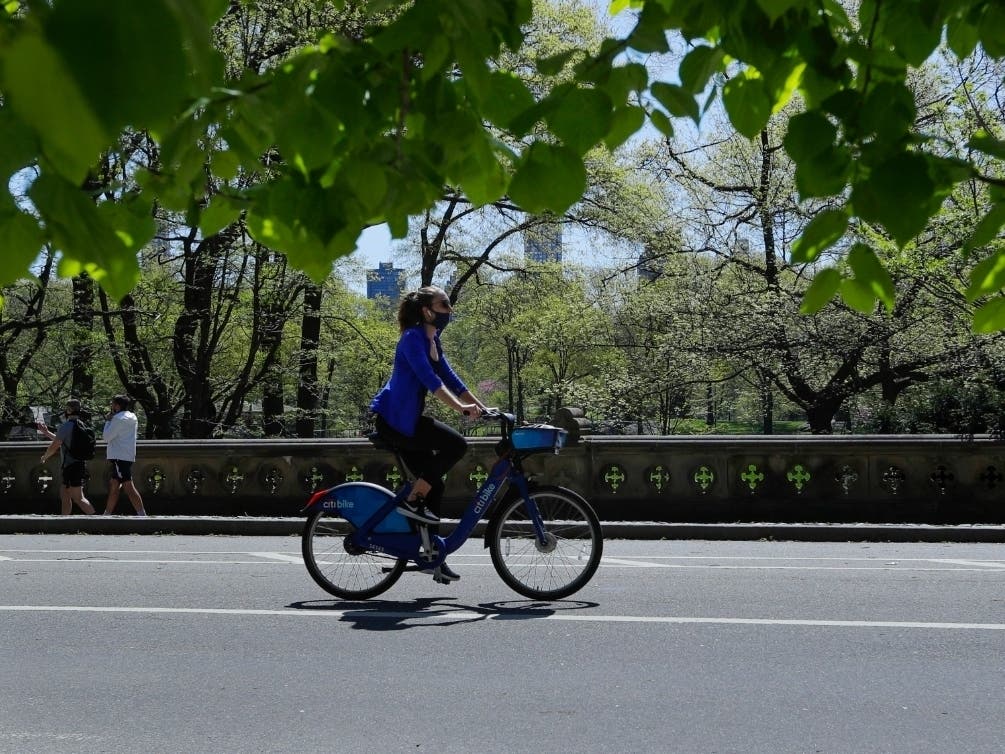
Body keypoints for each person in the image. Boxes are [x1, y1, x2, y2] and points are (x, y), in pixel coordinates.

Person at [370, 286, 490, 584]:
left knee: (435, 485)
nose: (450, 310)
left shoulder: (431, 339)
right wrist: (462, 408)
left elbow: (450, 377)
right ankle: (412, 499)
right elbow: (432, 381)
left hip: (408, 422)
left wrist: (480, 406)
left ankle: (432, 557)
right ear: (427, 310)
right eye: (444, 304)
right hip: (395, 423)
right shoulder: (412, 339)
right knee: (455, 445)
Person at [39, 399, 96, 515]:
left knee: (79, 498)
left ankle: (98, 522)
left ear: (69, 410)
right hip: (77, 465)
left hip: (71, 467)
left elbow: (55, 446)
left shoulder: (66, 426)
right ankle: (64, 521)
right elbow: (62, 440)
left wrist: (45, 457)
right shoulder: (81, 425)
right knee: (64, 494)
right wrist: (46, 432)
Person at [102, 395, 147, 516]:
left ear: (117, 405)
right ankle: (107, 514)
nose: (111, 406)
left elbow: (106, 437)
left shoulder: (117, 419)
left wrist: (107, 421)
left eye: (113, 404)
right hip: (128, 455)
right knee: (115, 485)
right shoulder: (133, 417)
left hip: (118, 457)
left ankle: (143, 515)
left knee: (128, 486)